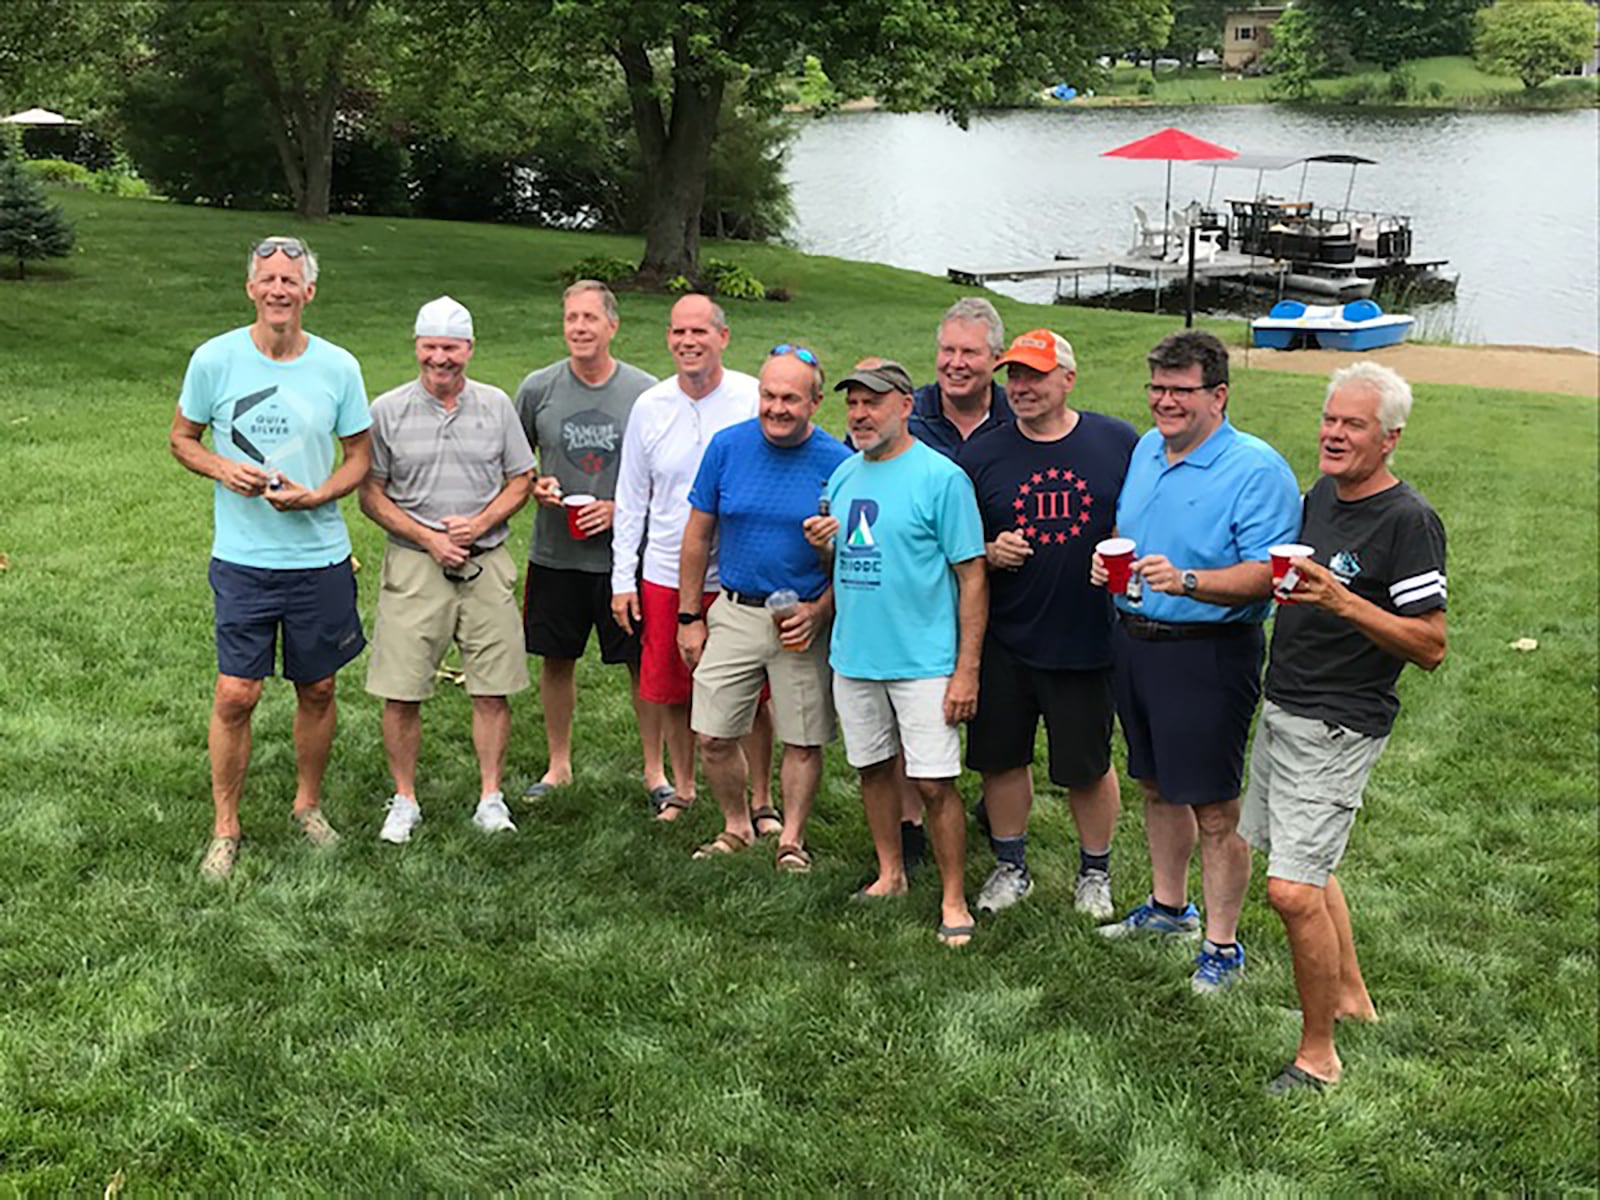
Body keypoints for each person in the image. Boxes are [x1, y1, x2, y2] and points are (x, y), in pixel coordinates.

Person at [1242, 362, 1447, 1094]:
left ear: (1388, 438)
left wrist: (1342, 601)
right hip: (1285, 704)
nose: (1333, 433)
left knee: (1292, 891)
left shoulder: (1408, 521)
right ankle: (1353, 996)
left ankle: (1318, 1056)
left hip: (1337, 723)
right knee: (1312, 865)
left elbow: (1430, 644)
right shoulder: (1320, 496)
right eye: (1329, 419)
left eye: (1352, 424)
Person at [1092, 329, 1299, 995]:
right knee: (1155, 786)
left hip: (1208, 653)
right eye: (1157, 388)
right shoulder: (1148, 449)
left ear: (1219, 395)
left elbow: (1272, 576)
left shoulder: (1256, 469)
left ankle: (1223, 944)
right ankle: (1167, 908)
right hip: (1135, 641)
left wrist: (1187, 581)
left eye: (1181, 391)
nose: (1164, 403)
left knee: (1214, 808)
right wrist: (1110, 566)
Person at [169, 235, 372, 880]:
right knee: (237, 693)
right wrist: (221, 468)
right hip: (243, 556)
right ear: (251, 288)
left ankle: (307, 806)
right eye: (268, 280)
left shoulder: (338, 367)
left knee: (318, 686)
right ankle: (225, 826)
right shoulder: (215, 359)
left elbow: (361, 459)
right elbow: (181, 439)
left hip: (319, 557)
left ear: (309, 292)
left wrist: (320, 495)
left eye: (291, 280)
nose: (279, 290)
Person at [804, 360, 988, 946]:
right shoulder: (842, 478)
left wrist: (966, 671)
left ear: (906, 406)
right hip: (855, 656)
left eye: (872, 403)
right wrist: (823, 550)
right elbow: (847, 566)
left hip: (924, 661)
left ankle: (954, 898)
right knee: (873, 769)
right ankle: (892, 873)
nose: (859, 414)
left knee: (934, 784)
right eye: (853, 404)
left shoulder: (942, 479)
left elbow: (973, 575)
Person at [959, 329, 1137, 919]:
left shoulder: (1116, 443)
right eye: (1014, 376)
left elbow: (1144, 519)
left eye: (1035, 375)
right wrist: (989, 547)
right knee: (1001, 758)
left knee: (1086, 766)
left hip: (1085, 635)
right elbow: (955, 545)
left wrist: (1121, 547)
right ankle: (1011, 867)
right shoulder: (983, 453)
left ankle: (1095, 874)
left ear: (1068, 378)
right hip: (1005, 637)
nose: (1022, 387)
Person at [360, 297, 535, 844]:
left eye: (451, 347)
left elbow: (521, 478)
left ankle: (490, 798)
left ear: (469, 349)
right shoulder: (386, 410)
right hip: (414, 566)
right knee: (402, 688)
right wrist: (430, 538)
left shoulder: (495, 405)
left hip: (485, 564)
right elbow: (371, 493)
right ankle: (405, 799)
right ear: (417, 347)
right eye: (431, 347)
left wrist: (478, 524)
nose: (441, 358)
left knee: (492, 688)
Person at [676, 344, 850, 869]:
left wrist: (820, 611)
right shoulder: (727, 448)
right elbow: (697, 536)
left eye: (791, 399)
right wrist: (689, 616)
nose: (777, 407)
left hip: (802, 618)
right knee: (711, 734)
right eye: (769, 395)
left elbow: (856, 560)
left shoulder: (839, 465)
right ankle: (736, 825)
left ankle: (790, 839)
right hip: (734, 609)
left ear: (815, 402)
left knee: (802, 738)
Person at [611, 294, 773, 821]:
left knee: (752, 694)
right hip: (663, 571)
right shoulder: (650, 406)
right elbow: (632, 498)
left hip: (738, 572)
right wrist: (623, 578)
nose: (687, 342)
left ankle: (763, 798)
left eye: (699, 332)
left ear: (722, 337)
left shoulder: (751, 397)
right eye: (678, 332)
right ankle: (683, 787)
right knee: (676, 689)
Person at [514, 281, 661, 804]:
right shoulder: (539, 388)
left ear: (612, 326)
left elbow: (663, 475)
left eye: (590, 319)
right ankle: (558, 764)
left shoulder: (644, 392)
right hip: (555, 552)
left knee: (639, 661)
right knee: (557, 658)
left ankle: (654, 771)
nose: (579, 328)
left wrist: (621, 511)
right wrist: (536, 486)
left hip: (623, 559)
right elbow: (513, 461)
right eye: (572, 318)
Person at [908, 296, 1014, 457]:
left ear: (997, 359)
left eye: (969, 352)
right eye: (948, 350)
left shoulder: (1018, 420)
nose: (956, 363)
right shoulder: (906, 417)